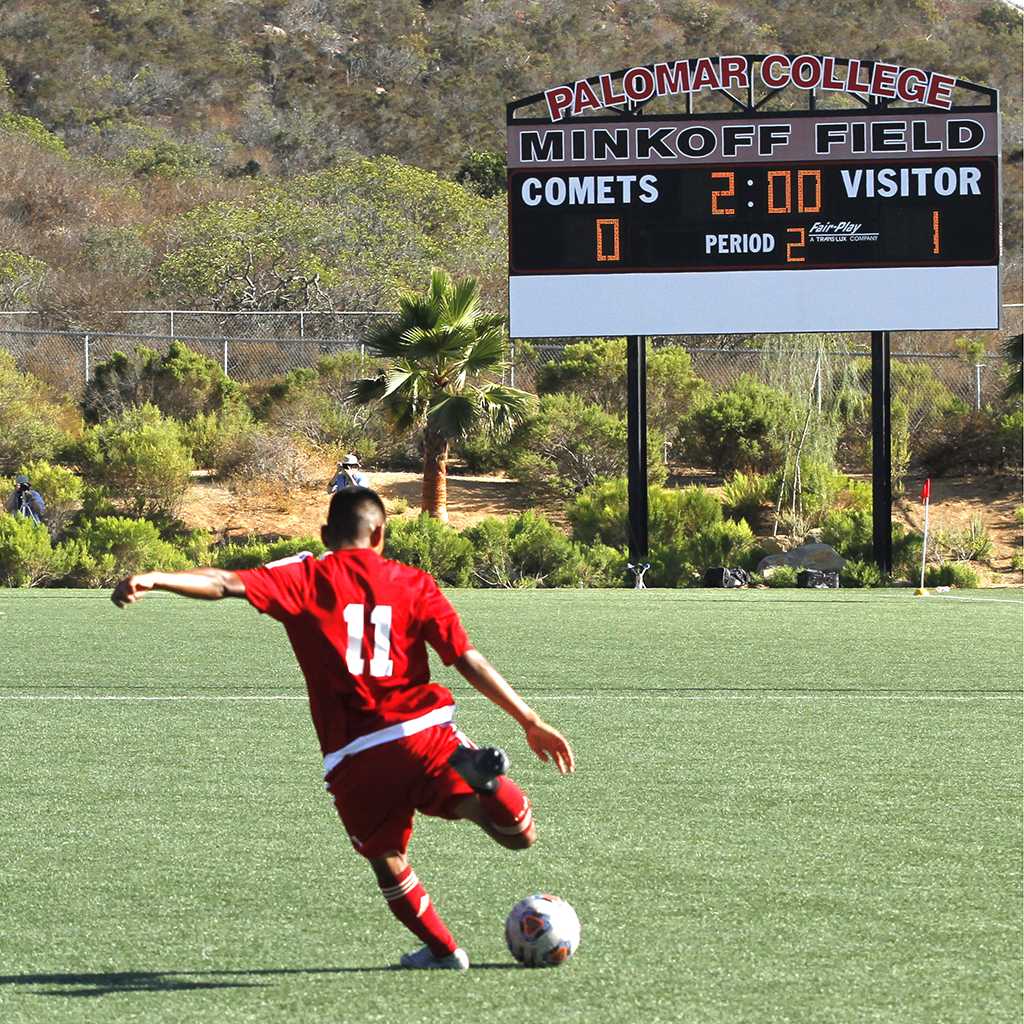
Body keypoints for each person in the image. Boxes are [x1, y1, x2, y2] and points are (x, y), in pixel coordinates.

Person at [110, 486, 574, 971]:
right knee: (512, 833)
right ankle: (488, 784)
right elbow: (466, 659)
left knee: (388, 858)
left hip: (357, 756)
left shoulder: (305, 575)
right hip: (425, 733)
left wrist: (158, 577)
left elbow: (225, 582)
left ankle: (444, 951)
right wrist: (530, 720)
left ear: (327, 534)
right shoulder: (414, 582)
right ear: (380, 533)